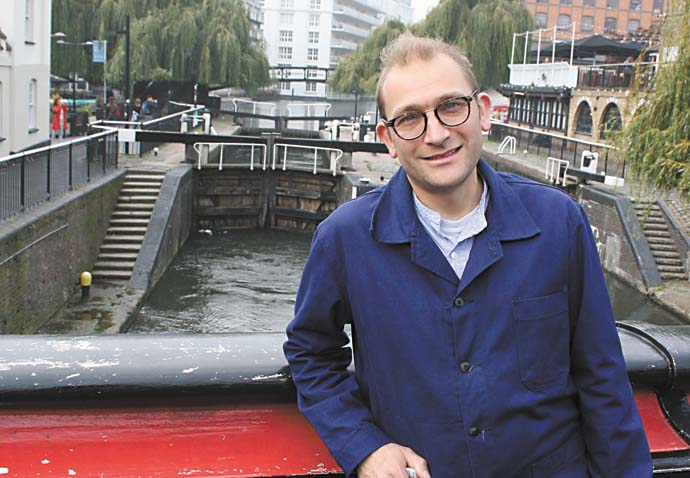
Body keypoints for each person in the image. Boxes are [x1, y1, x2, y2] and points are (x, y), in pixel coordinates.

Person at [284, 33, 652, 478]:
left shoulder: (559, 223)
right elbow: (310, 352)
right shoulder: (344, 240)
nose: (437, 134)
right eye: (410, 119)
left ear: (484, 111)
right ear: (387, 138)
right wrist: (364, 446)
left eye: (451, 106)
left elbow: (602, 378)